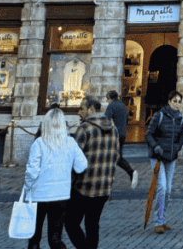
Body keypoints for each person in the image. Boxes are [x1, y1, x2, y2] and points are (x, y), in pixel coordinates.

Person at [23, 107, 88, 249]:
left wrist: (27, 188)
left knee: (34, 237)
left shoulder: (39, 143)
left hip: (39, 195)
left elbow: (32, 172)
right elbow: (82, 165)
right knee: (55, 238)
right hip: (60, 195)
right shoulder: (70, 142)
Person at [65, 95, 119, 249]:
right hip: (104, 186)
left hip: (85, 186)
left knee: (70, 223)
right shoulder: (113, 128)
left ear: (90, 109)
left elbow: (75, 159)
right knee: (92, 224)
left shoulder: (84, 128)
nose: (79, 112)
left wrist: (70, 181)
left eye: (81, 108)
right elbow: (116, 156)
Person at [145, 90, 183, 235]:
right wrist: (156, 147)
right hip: (158, 156)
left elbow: (181, 137)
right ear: (169, 102)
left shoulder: (180, 118)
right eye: (174, 101)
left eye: (179, 102)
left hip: (171, 157)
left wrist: (177, 148)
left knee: (168, 190)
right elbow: (148, 134)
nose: (177, 104)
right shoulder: (159, 115)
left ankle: (162, 219)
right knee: (161, 186)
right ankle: (158, 222)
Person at [105, 90, 138, 186]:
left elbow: (105, 120)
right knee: (114, 157)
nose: (107, 101)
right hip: (122, 133)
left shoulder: (111, 106)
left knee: (115, 157)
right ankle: (109, 178)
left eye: (107, 99)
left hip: (115, 135)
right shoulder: (122, 105)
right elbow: (126, 120)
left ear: (110, 98)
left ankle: (131, 172)